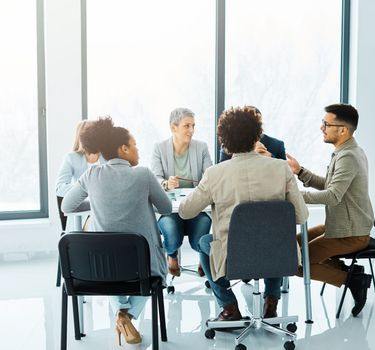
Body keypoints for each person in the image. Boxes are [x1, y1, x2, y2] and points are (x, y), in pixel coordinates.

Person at [179, 106, 308, 321]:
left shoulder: (215, 174)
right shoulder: (281, 168)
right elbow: (301, 216)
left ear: (225, 142)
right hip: (278, 256)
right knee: (275, 236)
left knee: (204, 242)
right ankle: (271, 302)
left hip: (234, 258)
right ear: (257, 136)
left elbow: (185, 212)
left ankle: (229, 307)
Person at [61, 117, 172, 345]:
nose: (138, 150)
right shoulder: (143, 174)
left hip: (99, 271)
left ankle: (121, 311)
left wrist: (95, 203)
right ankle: (126, 315)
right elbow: (167, 208)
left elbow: (67, 206)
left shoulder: (91, 175)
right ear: (123, 149)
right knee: (158, 274)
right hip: (143, 268)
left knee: (111, 260)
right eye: (135, 146)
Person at [286, 103, 374, 317]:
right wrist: (301, 172)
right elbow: (331, 184)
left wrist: (294, 196)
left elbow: (333, 196)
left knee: (294, 262)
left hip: (351, 234)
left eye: (326, 123)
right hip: (341, 225)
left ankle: (353, 280)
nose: (321, 128)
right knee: (293, 246)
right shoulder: (347, 151)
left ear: (342, 130)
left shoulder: (348, 156)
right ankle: (349, 272)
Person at [151, 108, 213, 277]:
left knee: (199, 240)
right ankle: (171, 256)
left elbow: (211, 176)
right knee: (172, 237)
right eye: (187, 126)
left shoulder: (201, 147)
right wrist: (166, 183)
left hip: (196, 208)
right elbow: (154, 179)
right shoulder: (159, 148)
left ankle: (203, 257)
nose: (191, 130)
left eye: (193, 125)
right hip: (169, 210)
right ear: (173, 128)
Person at [55, 120, 105, 231]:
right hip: (84, 208)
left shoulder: (106, 156)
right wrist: (85, 188)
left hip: (105, 208)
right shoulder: (71, 158)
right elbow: (60, 188)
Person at [219, 106, 285, 161]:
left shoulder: (277, 145)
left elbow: (285, 170)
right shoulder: (228, 145)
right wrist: (251, 156)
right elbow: (223, 170)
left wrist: (270, 156)